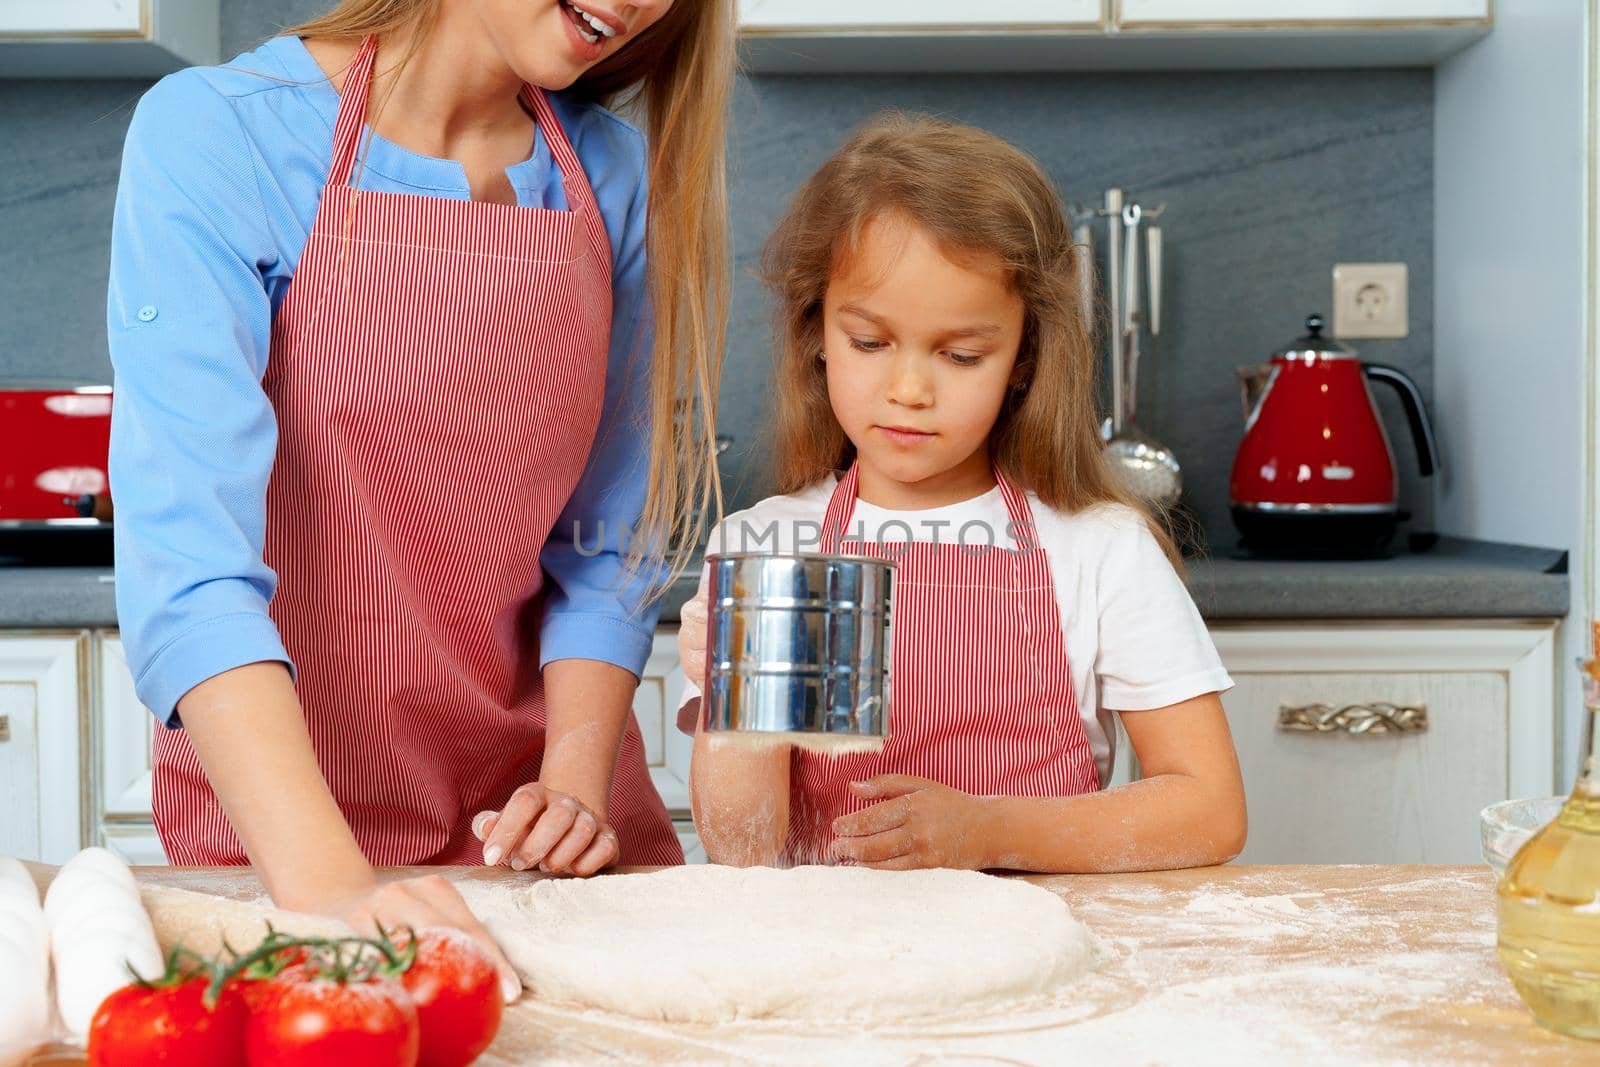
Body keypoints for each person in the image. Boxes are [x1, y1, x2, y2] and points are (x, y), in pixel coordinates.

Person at [108, 0, 733, 996]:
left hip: (543, 841)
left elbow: (607, 542)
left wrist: (569, 796)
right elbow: (192, 564)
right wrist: (326, 888)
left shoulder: (612, 177)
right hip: (291, 832)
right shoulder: (223, 132)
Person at [676, 114, 1247, 873]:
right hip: (831, 967)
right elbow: (742, 853)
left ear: (1023, 357)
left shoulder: (1098, 547)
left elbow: (1209, 809)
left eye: (962, 353)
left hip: (1047, 957)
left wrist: (990, 831)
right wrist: (736, 707)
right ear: (816, 330)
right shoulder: (769, 546)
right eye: (870, 342)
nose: (909, 389)